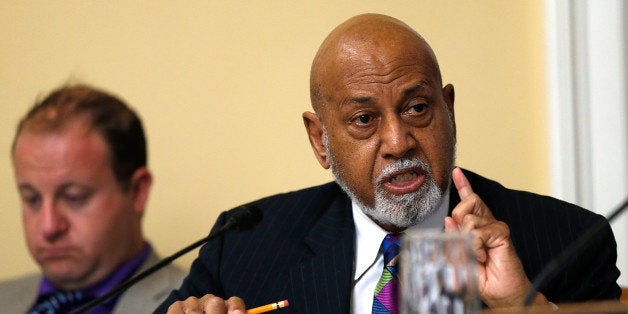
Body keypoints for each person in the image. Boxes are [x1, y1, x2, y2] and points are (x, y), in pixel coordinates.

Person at [156, 13, 621, 313]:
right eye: (364, 119)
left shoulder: (568, 240)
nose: (398, 142)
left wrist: (526, 306)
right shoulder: (245, 245)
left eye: (417, 108)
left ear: (449, 112)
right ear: (320, 141)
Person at [0, 84, 187, 313]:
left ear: (138, 191)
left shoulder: (193, 303)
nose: (48, 227)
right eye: (32, 199)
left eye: (74, 197)